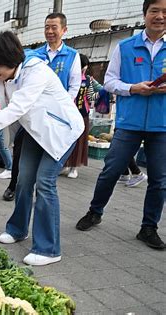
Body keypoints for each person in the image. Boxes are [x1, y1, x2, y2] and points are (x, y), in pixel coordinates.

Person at [0, 31, 84, 266]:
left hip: (61, 131)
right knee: (22, 179)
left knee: (44, 182)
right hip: (35, 130)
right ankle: (18, 229)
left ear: (9, 59)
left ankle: (49, 249)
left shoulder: (35, 71)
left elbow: (15, 109)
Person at [76, 0, 166, 250]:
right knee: (111, 170)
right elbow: (110, 82)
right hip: (129, 122)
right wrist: (132, 88)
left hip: (162, 124)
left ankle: (149, 227)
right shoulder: (125, 47)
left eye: (165, 12)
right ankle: (95, 211)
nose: (160, 16)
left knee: (160, 180)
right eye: (154, 11)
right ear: (145, 14)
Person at [2, 12, 82, 201]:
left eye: (54, 27)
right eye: (47, 27)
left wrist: (59, 109)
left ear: (64, 30)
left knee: (45, 177)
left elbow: (74, 86)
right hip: (32, 113)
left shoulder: (72, 56)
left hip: (58, 119)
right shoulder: (35, 54)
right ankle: (14, 185)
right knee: (21, 150)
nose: (50, 31)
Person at [62, 54, 99, 179]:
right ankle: (65, 165)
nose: (84, 68)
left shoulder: (88, 80)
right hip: (67, 114)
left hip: (82, 114)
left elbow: (90, 97)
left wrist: (103, 94)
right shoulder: (67, 78)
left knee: (79, 141)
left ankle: (74, 167)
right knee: (65, 140)